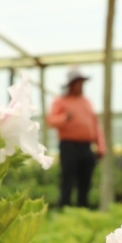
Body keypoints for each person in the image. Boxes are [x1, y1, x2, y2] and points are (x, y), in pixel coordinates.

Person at [46, 67, 106, 208]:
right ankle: (64, 207)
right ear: (71, 85)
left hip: (86, 146)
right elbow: (51, 121)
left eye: (81, 83)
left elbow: (95, 124)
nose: (80, 85)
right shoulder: (60, 101)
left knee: (85, 180)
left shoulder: (86, 102)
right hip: (69, 146)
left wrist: (101, 145)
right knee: (68, 178)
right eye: (77, 83)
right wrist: (64, 118)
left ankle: (82, 207)